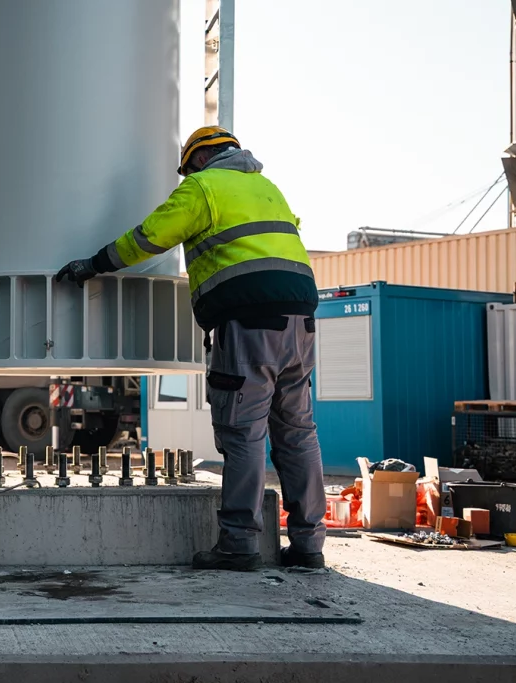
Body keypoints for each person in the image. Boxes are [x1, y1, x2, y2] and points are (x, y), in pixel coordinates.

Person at [55, 127, 325, 571]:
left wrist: (95, 264)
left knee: (243, 432)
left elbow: (150, 236)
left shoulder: (203, 187)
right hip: (301, 323)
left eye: (186, 170)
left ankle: (239, 544)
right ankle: (309, 547)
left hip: (249, 323)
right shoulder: (267, 188)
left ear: (198, 161)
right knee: (297, 432)